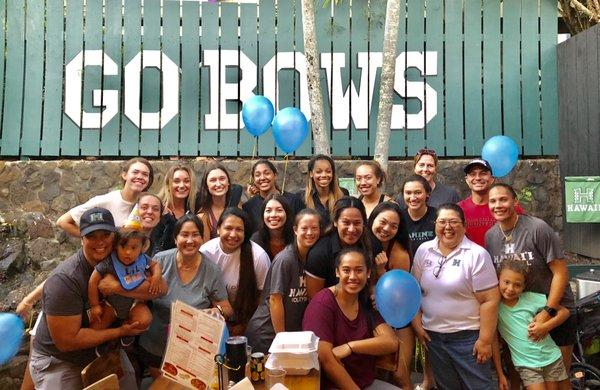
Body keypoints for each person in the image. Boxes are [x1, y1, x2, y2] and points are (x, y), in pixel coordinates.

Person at [29, 208, 164, 390]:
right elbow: (67, 342)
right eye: (92, 236)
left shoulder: (123, 256)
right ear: (81, 238)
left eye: (106, 234)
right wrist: (121, 332)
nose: (100, 242)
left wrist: (119, 288)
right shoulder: (65, 281)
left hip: (105, 351)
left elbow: (161, 289)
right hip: (61, 361)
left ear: (115, 237)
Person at [485, 183, 575, 388]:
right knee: (522, 375)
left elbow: (560, 272)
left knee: (558, 381)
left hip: (553, 309)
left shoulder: (537, 228)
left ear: (515, 201)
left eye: (503, 199)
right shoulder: (491, 236)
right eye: (493, 201)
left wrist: (547, 311)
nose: (498, 205)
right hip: (519, 316)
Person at [411, 203, 500, 390]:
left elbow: (489, 300)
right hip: (433, 338)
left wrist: (484, 341)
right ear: (435, 225)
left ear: (464, 225)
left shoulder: (476, 255)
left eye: (453, 222)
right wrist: (417, 323)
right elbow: (413, 290)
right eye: (442, 222)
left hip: (468, 339)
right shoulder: (424, 250)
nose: (447, 227)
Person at [137, 214, 234, 378]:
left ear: (202, 238)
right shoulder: (160, 261)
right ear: (175, 239)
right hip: (157, 346)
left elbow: (227, 308)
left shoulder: (211, 270)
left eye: (195, 235)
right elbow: (140, 296)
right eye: (184, 235)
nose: (190, 240)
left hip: (193, 350)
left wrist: (217, 310)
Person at [303, 248, 400, 390]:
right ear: (337, 272)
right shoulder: (323, 303)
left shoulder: (364, 302)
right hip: (332, 386)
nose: (353, 276)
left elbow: (391, 342)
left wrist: (350, 347)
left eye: (359, 270)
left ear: (368, 273)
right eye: (346, 270)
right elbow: (326, 360)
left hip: (366, 383)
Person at [245, 209, 322, 353]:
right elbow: (275, 300)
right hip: (267, 335)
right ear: (295, 230)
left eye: (314, 228)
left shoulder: (315, 259)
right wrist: (282, 340)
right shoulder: (285, 259)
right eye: (304, 228)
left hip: (292, 336)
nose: (310, 233)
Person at [494, 259, 569, 390]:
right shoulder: (494, 306)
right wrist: (500, 373)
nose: (510, 289)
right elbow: (493, 339)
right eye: (506, 282)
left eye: (517, 285)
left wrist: (546, 327)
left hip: (551, 357)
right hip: (526, 365)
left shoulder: (532, 298)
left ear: (524, 286)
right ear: (498, 279)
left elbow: (564, 312)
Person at [200, 207, 270, 335]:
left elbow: (263, 298)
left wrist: (245, 325)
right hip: (210, 322)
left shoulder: (258, 256)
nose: (233, 234)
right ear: (218, 229)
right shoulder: (206, 252)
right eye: (228, 228)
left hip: (248, 322)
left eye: (239, 230)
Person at [87, 227, 163, 343]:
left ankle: (127, 334)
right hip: (111, 305)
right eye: (123, 247)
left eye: (134, 248)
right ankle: (107, 341)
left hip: (134, 303)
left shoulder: (142, 259)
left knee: (144, 320)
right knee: (95, 328)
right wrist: (94, 306)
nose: (128, 252)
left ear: (142, 248)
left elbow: (155, 265)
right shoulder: (109, 262)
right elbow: (93, 281)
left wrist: (156, 276)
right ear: (116, 246)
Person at [367, 201, 413, 389]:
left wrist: (381, 271)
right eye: (383, 222)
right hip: (369, 319)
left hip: (398, 319)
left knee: (400, 375)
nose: (386, 229)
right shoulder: (360, 243)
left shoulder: (399, 253)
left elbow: (398, 296)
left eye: (394, 226)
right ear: (372, 220)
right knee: (372, 375)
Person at [56, 157, 154, 236]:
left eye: (145, 174)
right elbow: (63, 222)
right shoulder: (105, 200)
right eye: (135, 172)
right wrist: (93, 241)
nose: (140, 177)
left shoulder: (150, 206)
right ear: (124, 175)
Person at [305, 196, 376, 299]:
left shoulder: (371, 244)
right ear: (335, 222)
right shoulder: (319, 253)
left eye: (357, 223)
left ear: (364, 223)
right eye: (346, 223)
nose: (351, 229)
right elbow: (315, 299)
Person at [458, 158, 523, 247]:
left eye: (483, 173)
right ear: (466, 180)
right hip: (472, 259)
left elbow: (523, 233)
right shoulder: (458, 210)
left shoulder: (507, 206)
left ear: (492, 179)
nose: (477, 178)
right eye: (473, 174)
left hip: (502, 258)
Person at [242, 159, 305, 233]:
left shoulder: (294, 201)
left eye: (267, 173)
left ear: (275, 176)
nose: (262, 178)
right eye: (257, 175)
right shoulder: (249, 207)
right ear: (254, 179)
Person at [151, 164, 197, 253]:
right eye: (176, 181)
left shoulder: (194, 210)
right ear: (168, 184)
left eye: (187, 181)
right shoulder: (156, 207)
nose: (182, 185)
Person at [394, 148, 460, 208]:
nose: (425, 169)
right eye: (421, 165)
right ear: (414, 167)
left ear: (435, 169)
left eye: (430, 166)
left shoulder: (450, 195)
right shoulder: (403, 197)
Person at [298, 154, 348, 226]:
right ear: (311, 174)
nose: (324, 175)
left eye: (328, 171)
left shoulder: (343, 194)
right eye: (319, 172)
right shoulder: (300, 197)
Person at [196, 162, 240, 242]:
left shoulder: (238, 209)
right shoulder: (202, 217)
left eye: (222, 179)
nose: (218, 184)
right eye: (213, 180)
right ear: (206, 186)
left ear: (228, 182)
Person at [400, 175, 437, 259]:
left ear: (427, 193)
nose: (413, 198)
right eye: (408, 193)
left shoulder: (438, 216)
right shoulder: (398, 218)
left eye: (418, 192)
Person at [250, 193, 295, 260]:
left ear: (287, 213)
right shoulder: (255, 241)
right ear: (263, 215)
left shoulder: (296, 238)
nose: (273, 215)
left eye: (279, 210)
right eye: (268, 211)